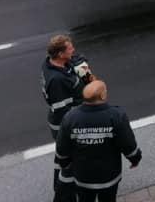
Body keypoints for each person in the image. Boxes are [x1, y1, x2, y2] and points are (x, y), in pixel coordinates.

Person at [55, 80, 141, 202]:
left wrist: (65, 164)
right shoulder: (116, 116)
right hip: (109, 177)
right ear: (102, 95)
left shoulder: (70, 118)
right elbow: (128, 145)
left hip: (82, 177)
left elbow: (62, 149)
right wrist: (135, 159)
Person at [41, 35, 93, 202]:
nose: (73, 50)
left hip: (68, 120)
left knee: (64, 157)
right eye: (70, 49)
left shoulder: (54, 63)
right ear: (60, 54)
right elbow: (65, 112)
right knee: (69, 160)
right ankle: (64, 195)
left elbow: (79, 67)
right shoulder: (56, 81)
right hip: (65, 125)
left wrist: (80, 65)